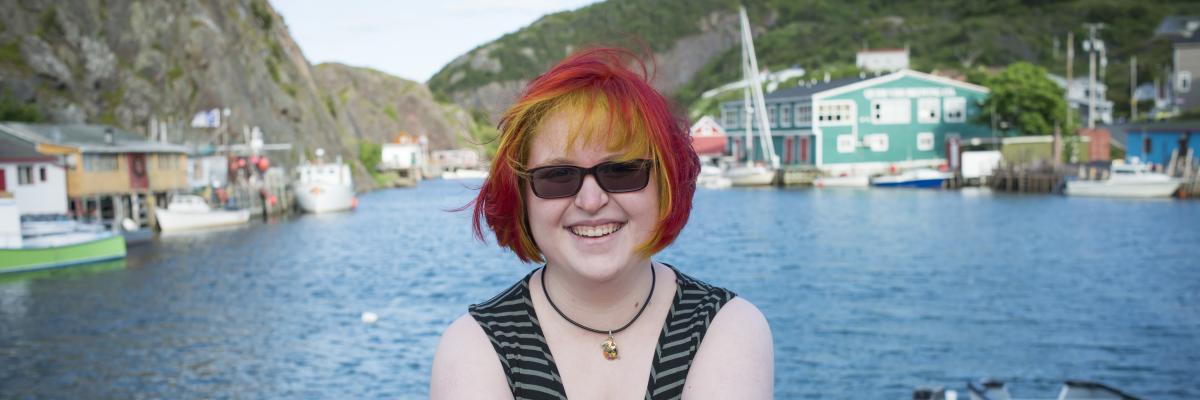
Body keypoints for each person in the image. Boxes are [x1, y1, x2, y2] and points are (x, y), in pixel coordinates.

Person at [431, 47, 773, 399]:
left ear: (667, 185)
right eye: (558, 175)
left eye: (622, 170)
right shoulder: (474, 347)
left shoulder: (727, 327)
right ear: (521, 197)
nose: (591, 201)